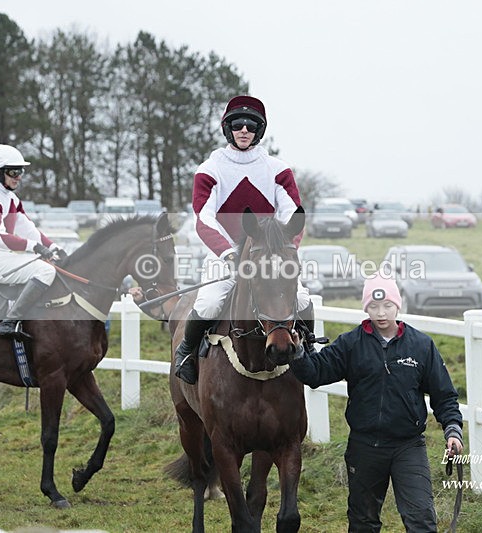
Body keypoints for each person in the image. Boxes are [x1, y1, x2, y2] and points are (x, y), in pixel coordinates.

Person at [289, 270, 463, 533]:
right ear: (366, 308)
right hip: (364, 446)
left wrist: (453, 430)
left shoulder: (421, 345)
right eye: (374, 306)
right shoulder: (350, 344)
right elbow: (315, 374)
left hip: (408, 447)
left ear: (397, 305)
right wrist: (299, 353)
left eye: (387, 306)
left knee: (421, 520)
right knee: (363, 523)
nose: (381, 313)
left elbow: (445, 395)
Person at [173, 95, 312, 385]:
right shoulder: (210, 169)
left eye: (251, 124)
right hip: (225, 255)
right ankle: (186, 352)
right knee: (210, 302)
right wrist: (228, 254)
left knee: (301, 297)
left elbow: (293, 213)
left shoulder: (277, 169)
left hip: (269, 255)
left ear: (259, 130)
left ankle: (308, 349)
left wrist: (285, 251)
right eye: (238, 124)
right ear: (229, 129)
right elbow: (204, 218)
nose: (244, 130)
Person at [0, 144, 67, 340]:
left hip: (2, 256)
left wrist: (55, 248)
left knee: (51, 265)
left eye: (21, 171)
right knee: (45, 271)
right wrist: (34, 247)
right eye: (13, 171)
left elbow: (27, 228)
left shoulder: (11, 198)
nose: (19, 176)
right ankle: (10, 321)